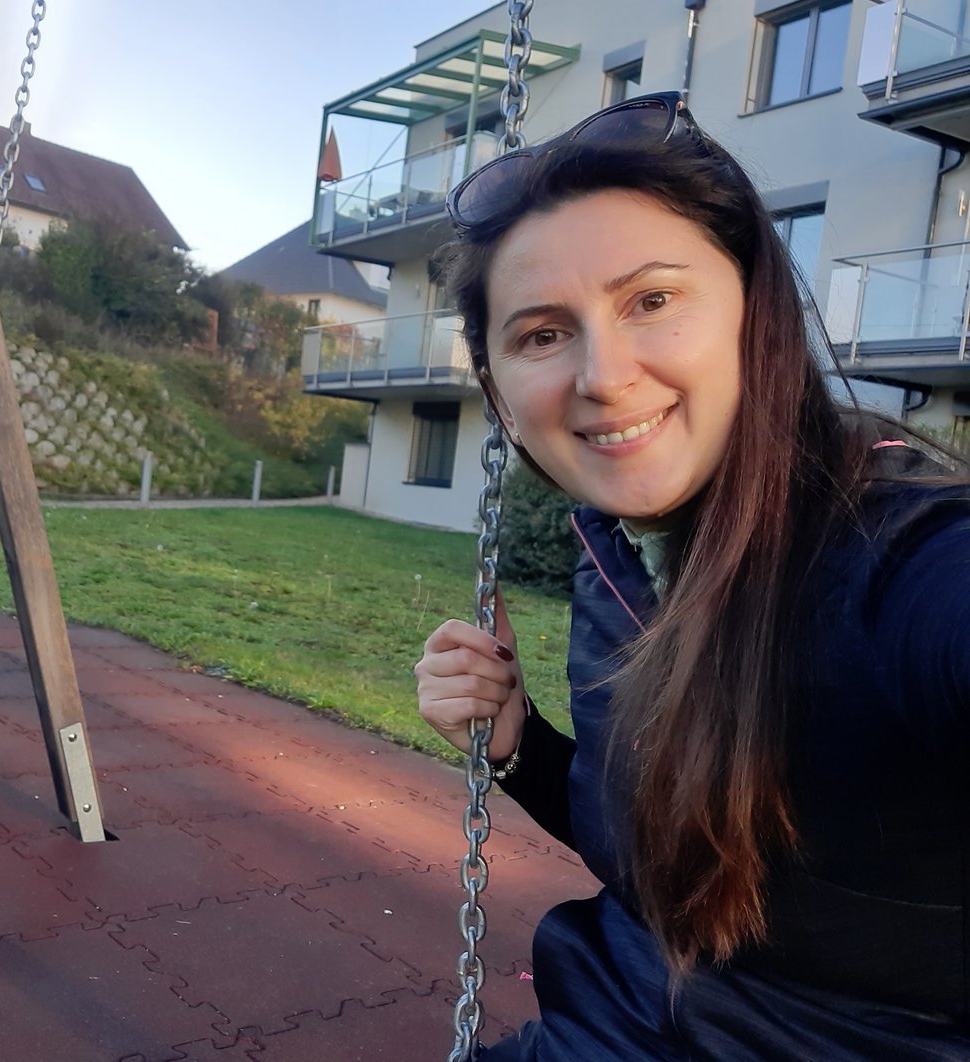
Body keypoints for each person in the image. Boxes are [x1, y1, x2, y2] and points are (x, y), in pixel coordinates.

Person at [415, 91, 970, 1059]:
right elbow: (665, 854)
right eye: (542, 333)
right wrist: (521, 750)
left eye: (652, 300)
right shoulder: (617, 549)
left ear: (753, 309)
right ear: (502, 387)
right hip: (606, 1026)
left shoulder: (894, 550)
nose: (604, 373)